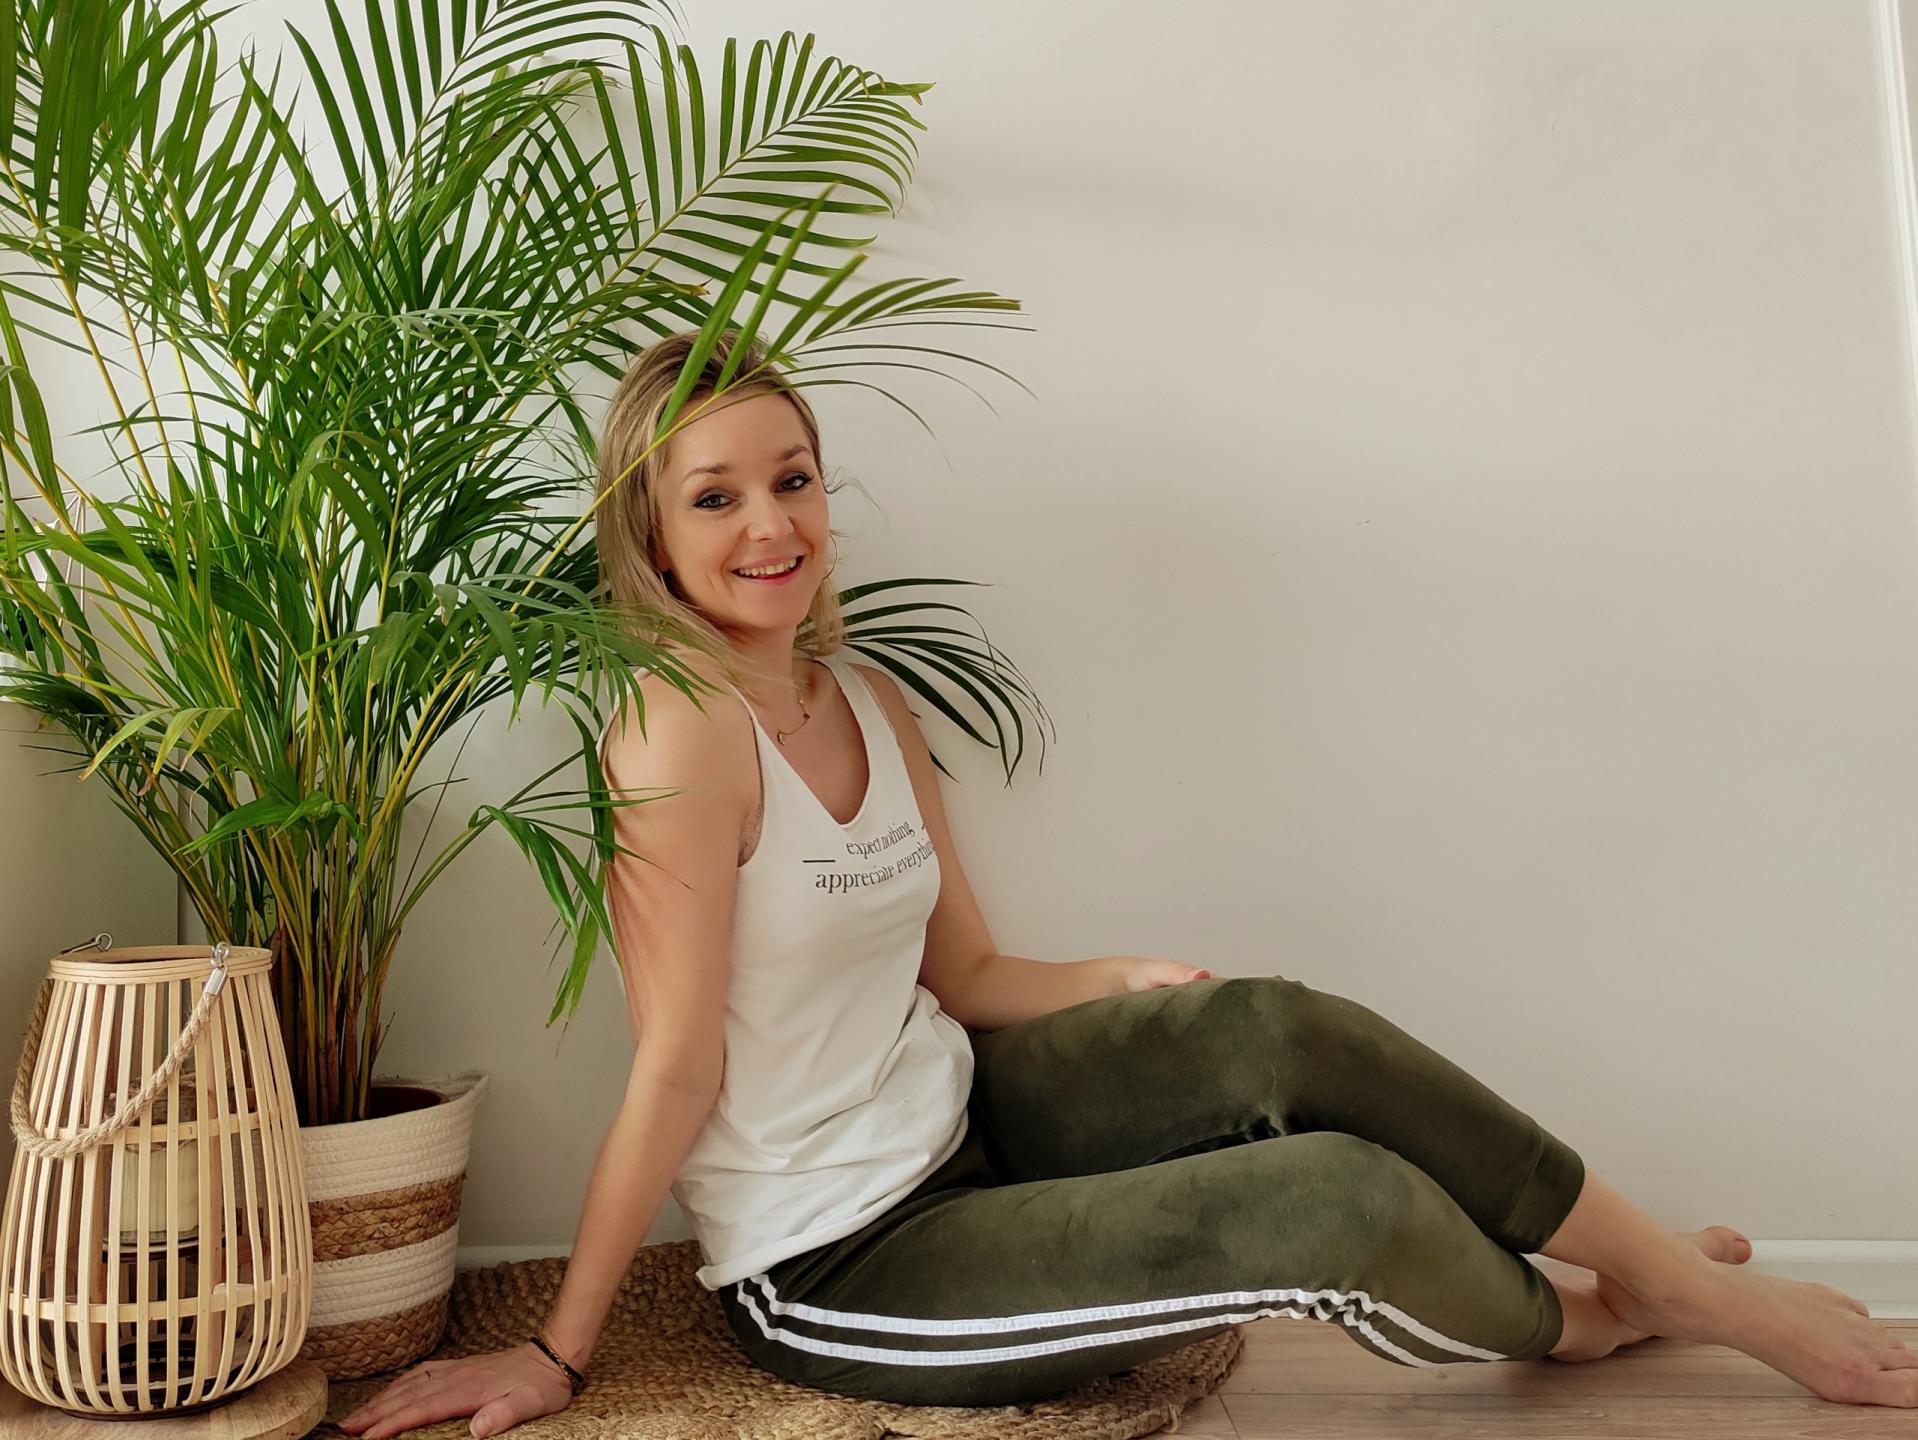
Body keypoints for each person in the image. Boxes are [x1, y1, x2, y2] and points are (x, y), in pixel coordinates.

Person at [341, 329, 1918, 1439]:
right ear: (648, 531)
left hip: (956, 1116)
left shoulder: (865, 696)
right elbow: (675, 1066)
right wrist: (558, 1354)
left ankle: (1654, 1268)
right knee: (1332, 1198)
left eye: (794, 478)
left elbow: (964, 974)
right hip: (839, 1254)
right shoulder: (675, 731)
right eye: (715, 496)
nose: (771, 524)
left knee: (1277, 1028)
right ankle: (1595, 1321)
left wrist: (1125, 988)